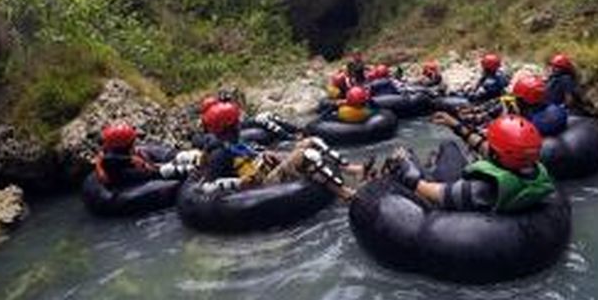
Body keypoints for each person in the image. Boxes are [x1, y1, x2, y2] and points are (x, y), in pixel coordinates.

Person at [197, 101, 363, 201]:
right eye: (235, 121)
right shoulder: (220, 153)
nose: (239, 124)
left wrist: (270, 155)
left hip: (268, 170)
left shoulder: (234, 141)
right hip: (262, 184)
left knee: (312, 141)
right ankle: (345, 194)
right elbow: (206, 186)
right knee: (305, 155)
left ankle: (351, 169)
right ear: (228, 126)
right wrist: (239, 183)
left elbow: (252, 155)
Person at [387, 114, 555, 213]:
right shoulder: (532, 168)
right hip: (502, 195)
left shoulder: (483, 188)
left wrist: (406, 170)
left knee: (405, 156)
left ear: (496, 156)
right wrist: (456, 125)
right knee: (448, 145)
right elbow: (489, 149)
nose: (486, 144)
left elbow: (433, 192)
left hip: (458, 206)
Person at [95, 123, 196, 188]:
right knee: (165, 170)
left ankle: (188, 158)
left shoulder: (112, 154)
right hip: (131, 179)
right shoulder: (111, 160)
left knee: (163, 163)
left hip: (140, 169)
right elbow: (107, 160)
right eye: (132, 141)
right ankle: (188, 169)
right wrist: (131, 160)